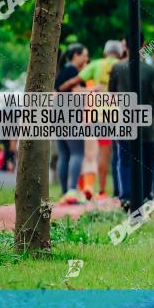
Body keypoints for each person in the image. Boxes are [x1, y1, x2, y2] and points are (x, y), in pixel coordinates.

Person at [61, 40, 124, 199]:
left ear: (104, 52)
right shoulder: (125, 65)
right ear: (121, 53)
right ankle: (119, 192)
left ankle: (101, 191)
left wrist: (61, 88)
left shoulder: (96, 65)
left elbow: (72, 83)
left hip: (99, 115)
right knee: (120, 154)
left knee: (99, 154)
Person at [108, 34, 154, 209]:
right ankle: (147, 195)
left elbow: (112, 99)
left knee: (124, 160)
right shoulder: (151, 70)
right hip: (148, 125)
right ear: (144, 44)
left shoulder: (117, 68)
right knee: (147, 161)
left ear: (125, 45)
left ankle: (126, 197)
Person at [55, 43, 89, 204]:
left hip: (58, 116)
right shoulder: (73, 72)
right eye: (84, 55)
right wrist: (95, 90)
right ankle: (72, 192)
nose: (86, 59)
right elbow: (76, 93)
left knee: (64, 154)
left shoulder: (62, 71)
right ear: (76, 56)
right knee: (77, 153)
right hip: (71, 116)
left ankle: (65, 192)